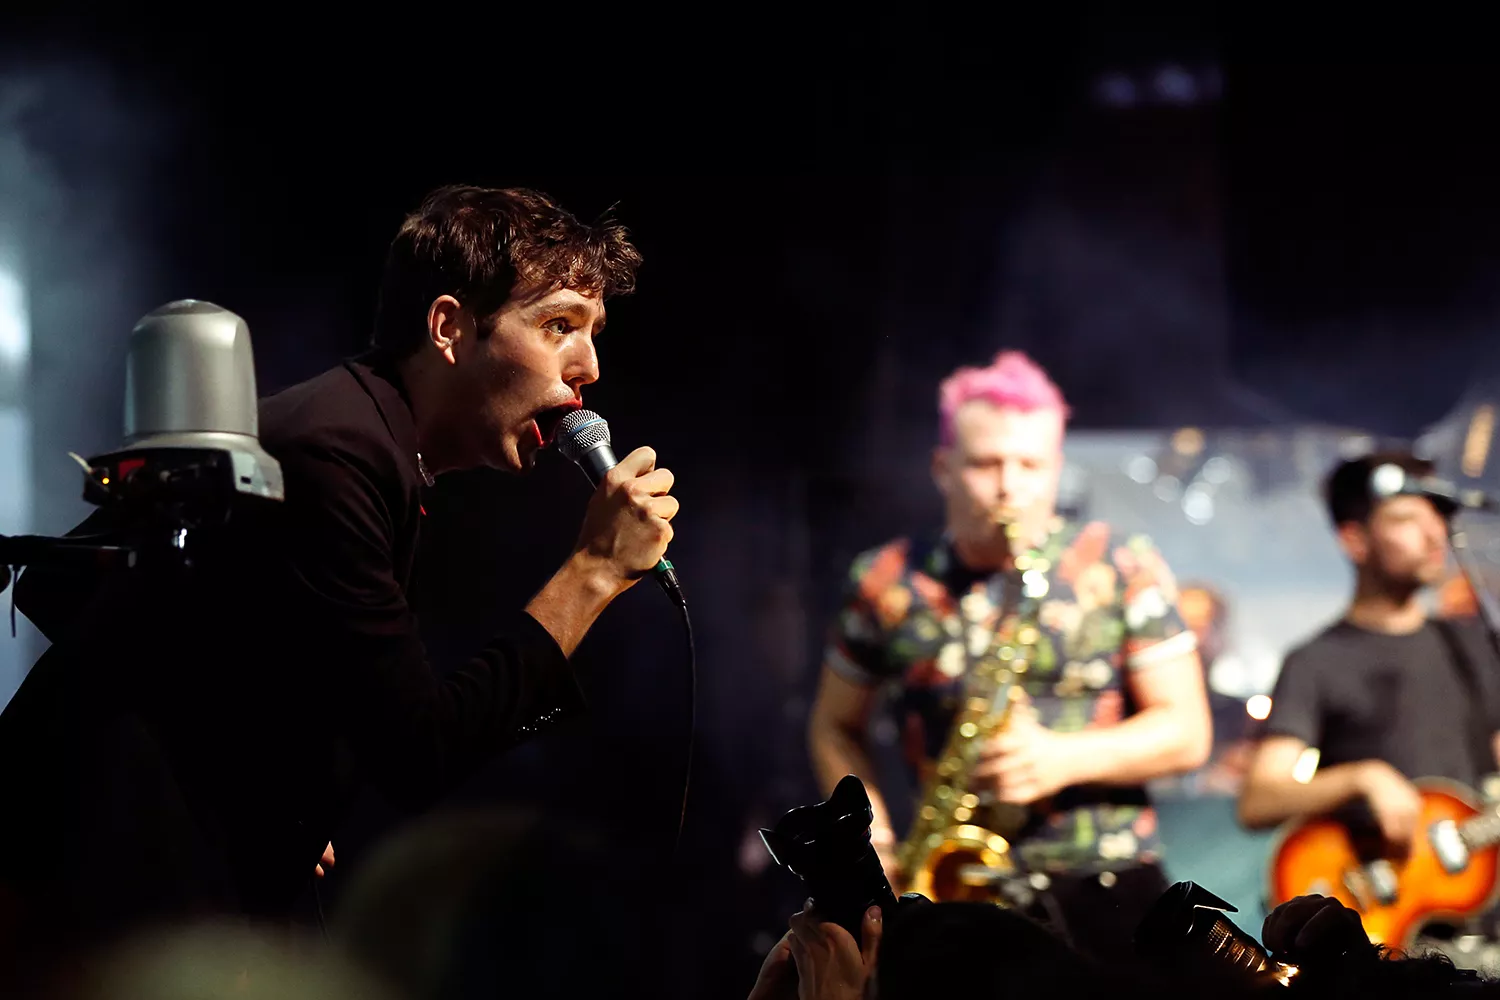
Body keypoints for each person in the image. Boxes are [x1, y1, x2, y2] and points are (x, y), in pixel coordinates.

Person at [0, 185, 676, 978]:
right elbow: (421, 752)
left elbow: (65, 590)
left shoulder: (363, 438)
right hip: (93, 900)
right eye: (559, 325)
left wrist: (262, 779)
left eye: (593, 333)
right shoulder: (337, 452)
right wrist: (593, 571)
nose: (588, 366)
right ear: (449, 328)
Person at [805, 350, 1211, 966]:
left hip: (1106, 887)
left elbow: (1187, 732)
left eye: (1031, 465)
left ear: (1057, 467)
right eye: (986, 463)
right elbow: (834, 724)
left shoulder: (1122, 563)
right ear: (943, 468)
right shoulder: (886, 577)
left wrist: (1062, 758)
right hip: (953, 887)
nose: (1010, 487)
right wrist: (875, 839)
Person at [1238, 451, 1500, 925]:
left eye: (1438, 518)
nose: (1434, 535)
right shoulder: (1316, 661)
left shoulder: (1473, 646)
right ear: (1354, 540)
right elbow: (1260, 800)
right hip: (1384, 924)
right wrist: (1362, 778)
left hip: (1481, 918)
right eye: (1406, 519)